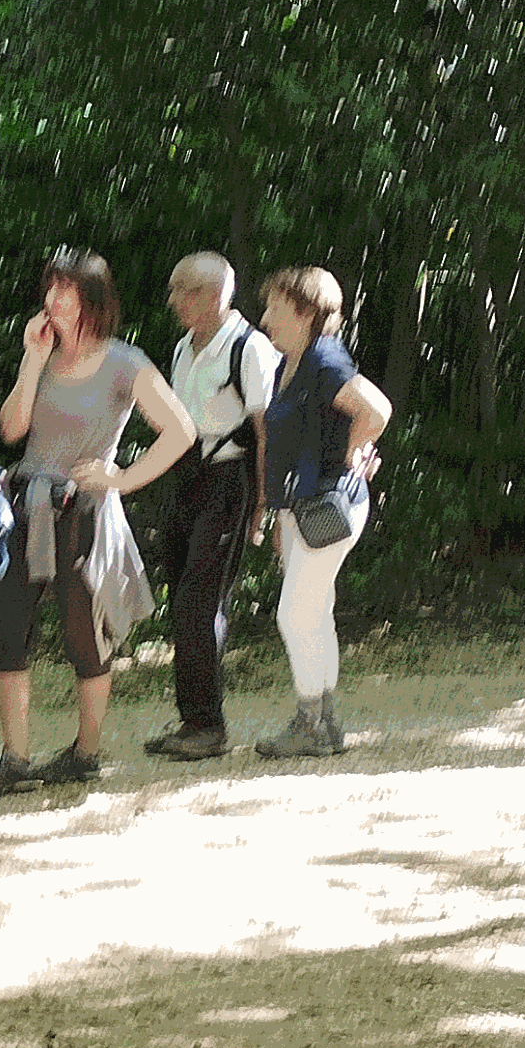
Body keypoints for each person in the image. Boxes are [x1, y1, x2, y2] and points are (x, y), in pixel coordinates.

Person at [0, 249, 198, 797]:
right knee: (5, 628)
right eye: (49, 287)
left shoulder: (124, 361)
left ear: (92, 298)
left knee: (85, 636)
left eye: (64, 289)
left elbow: (182, 431)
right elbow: (12, 432)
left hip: (85, 514)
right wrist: (29, 360)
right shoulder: (41, 355)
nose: (52, 299)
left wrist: (121, 478)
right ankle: (15, 760)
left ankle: (85, 753)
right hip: (25, 508)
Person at [253, 267, 396, 755]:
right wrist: (278, 516)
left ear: (306, 313)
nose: (265, 315)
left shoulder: (324, 360)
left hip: (328, 510)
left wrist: (350, 459)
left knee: (294, 615)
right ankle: (324, 725)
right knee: (315, 613)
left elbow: (376, 410)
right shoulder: (288, 364)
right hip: (302, 511)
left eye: (275, 306)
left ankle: (311, 723)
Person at [149, 251, 281, 758]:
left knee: (200, 602)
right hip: (186, 480)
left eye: (183, 290)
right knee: (181, 598)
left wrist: (262, 504)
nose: (173, 301)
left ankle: (208, 726)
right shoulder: (184, 347)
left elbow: (266, 430)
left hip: (229, 481)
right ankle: (193, 721)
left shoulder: (249, 348)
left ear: (215, 295)